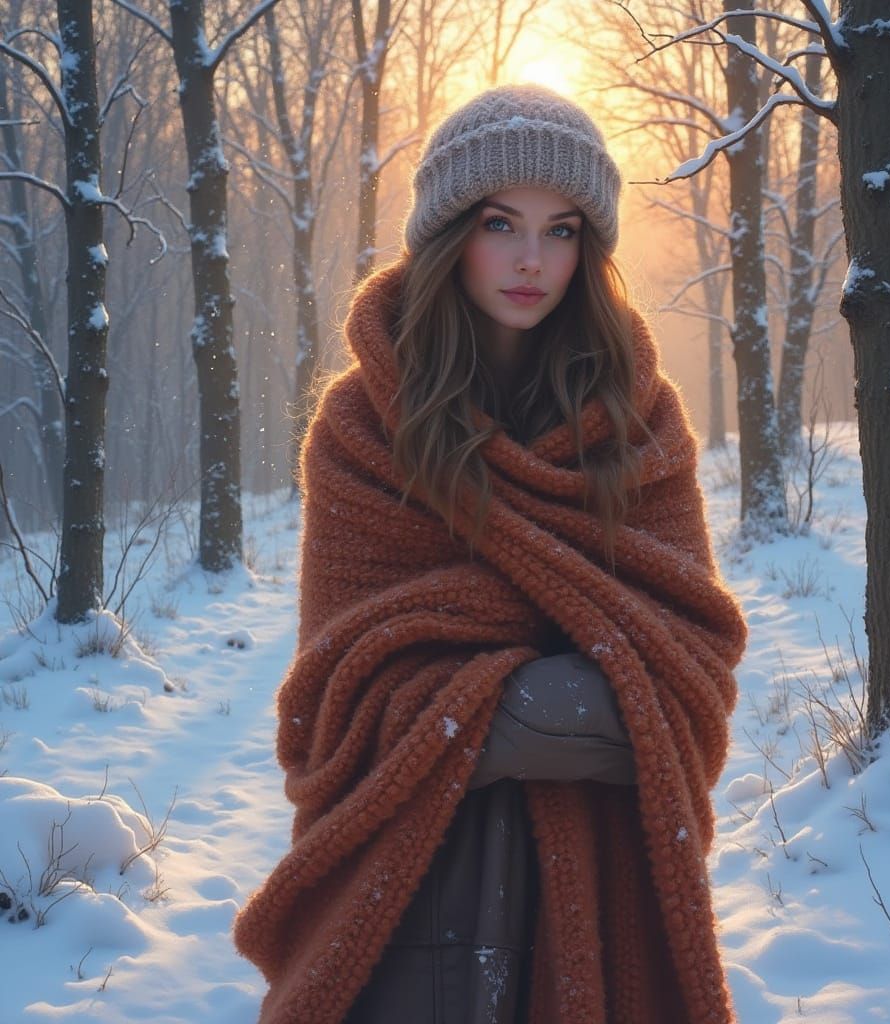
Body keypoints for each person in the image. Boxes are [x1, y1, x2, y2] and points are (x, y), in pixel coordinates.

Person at [233, 83, 748, 1024]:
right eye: (500, 221)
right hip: (415, 882)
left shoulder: (642, 424)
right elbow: (347, 700)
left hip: (607, 879)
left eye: (562, 230)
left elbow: (692, 680)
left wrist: (471, 688)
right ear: (447, 235)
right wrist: (591, 661)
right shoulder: (361, 428)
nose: (529, 258)